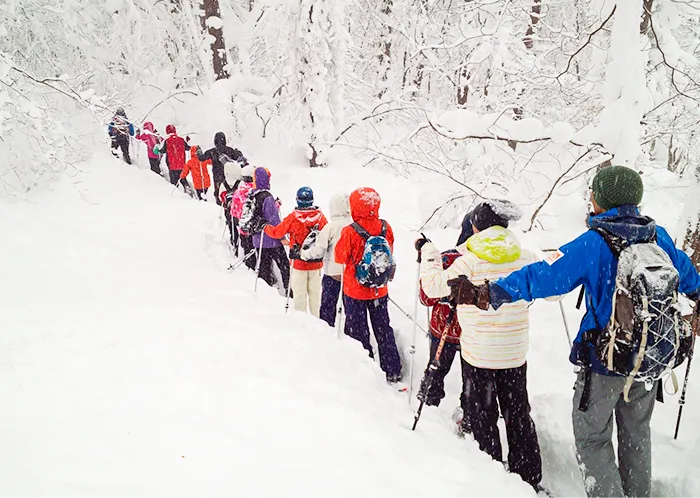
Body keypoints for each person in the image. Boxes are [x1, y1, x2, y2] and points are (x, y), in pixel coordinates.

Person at [446, 166, 700, 498]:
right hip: (650, 358)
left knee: (592, 438)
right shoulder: (658, 237)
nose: (590, 199)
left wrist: (489, 292)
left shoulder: (595, 243)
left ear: (602, 199)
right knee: (637, 435)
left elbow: (543, 276)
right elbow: (690, 277)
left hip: (606, 361)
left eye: (593, 193)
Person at [416, 200, 542, 491]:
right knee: (518, 412)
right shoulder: (526, 257)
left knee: (483, 413)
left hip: (479, 355)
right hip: (513, 354)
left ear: (475, 227)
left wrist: (428, 253)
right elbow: (553, 293)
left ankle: (492, 474)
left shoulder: (468, 260)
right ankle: (528, 476)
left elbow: (432, 288)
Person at [334, 187, 402, 383]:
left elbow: (340, 257)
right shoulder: (385, 227)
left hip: (355, 291)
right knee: (383, 329)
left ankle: (365, 372)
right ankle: (392, 370)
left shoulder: (350, 231)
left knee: (358, 331)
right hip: (379, 289)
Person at [416, 249, 471, 435]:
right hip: (470, 331)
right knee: (471, 378)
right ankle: (470, 416)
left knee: (436, 368)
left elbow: (426, 298)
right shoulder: (480, 260)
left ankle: (428, 404)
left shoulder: (445, 259)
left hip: (443, 329)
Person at [264, 187, 328, 316]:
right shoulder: (321, 218)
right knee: (315, 294)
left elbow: (277, 232)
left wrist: (265, 228)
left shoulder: (293, 218)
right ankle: (317, 320)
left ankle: (302, 321)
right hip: (315, 262)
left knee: (299, 295)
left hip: (298, 263)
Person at [300, 192, 352, 326]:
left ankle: (327, 330)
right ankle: (351, 333)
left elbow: (318, 250)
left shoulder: (330, 227)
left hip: (332, 273)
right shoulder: (354, 225)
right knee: (350, 308)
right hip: (350, 273)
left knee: (328, 306)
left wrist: (303, 254)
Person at [246, 167, 290, 292]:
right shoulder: (267, 197)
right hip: (271, 239)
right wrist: (282, 237)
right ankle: (289, 290)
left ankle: (266, 291)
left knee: (264, 267)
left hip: (257, 239)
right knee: (284, 265)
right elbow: (274, 220)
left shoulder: (252, 195)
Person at [197, 132, 243, 205]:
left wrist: (199, 152)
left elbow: (201, 158)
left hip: (217, 176)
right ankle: (229, 205)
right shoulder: (229, 150)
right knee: (228, 191)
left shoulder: (212, 151)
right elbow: (238, 157)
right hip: (228, 175)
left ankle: (219, 204)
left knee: (218, 192)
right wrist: (238, 152)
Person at [155, 125, 193, 193]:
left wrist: (157, 144)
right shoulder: (181, 140)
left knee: (174, 180)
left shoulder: (167, 141)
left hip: (172, 164)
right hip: (181, 163)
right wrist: (188, 141)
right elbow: (188, 148)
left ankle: (176, 193)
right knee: (182, 177)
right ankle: (187, 187)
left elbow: (161, 150)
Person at [232, 165, 256, 269]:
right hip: (255, 228)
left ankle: (249, 268)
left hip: (243, 228)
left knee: (247, 250)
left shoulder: (237, 192)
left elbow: (234, 212)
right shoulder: (255, 191)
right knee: (259, 253)